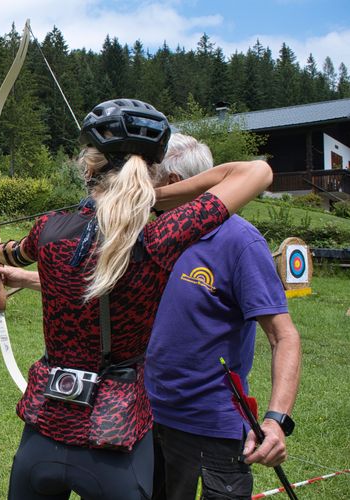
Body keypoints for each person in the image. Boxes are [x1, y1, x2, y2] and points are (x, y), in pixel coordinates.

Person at [0, 99, 273, 500]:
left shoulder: (48, 229)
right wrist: (153, 195)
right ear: (151, 171)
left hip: (43, 431)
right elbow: (256, 171)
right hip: (116, 442)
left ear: (88, 166)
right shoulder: (159, 238)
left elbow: (13, 251)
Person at [145, 134, 301, 500]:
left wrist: (276, 421)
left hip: (212, 427)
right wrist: (21, 274)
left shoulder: (240, 242)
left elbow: (284, 337)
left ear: (172, 185)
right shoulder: (156, 237)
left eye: (148, 179)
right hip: (146, 416)